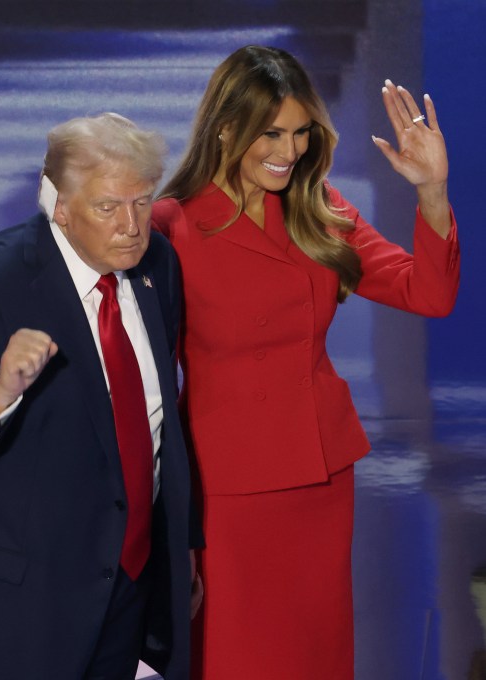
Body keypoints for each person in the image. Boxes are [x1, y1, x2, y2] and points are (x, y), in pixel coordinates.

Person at [152, 45, 459, 679]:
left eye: (299, 134)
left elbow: (427, 293)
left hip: (318, 475)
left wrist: (432, 192)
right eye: (273, 133)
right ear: (227, 128)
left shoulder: (321, 208)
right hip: (226, 484)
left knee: (313, 653)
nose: (289, 152)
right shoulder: (170, 226)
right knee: (236, 654)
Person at [0, 112, 203, 680]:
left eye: (142, 201)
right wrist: (0, 393)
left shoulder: (158, 268)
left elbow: (156, 428)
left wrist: (180, 548)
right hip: (8, 614)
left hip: (118, 593)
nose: (132, 225)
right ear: (59, 206)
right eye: (108, 207)